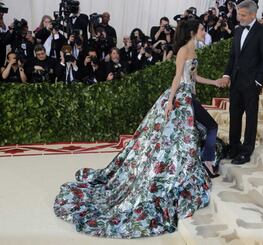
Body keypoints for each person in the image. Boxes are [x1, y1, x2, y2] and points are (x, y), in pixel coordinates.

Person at [54, 18, 222, 238]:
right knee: (195, 133)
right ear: (192, 31)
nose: (204, 32)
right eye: (202, 29)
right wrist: (170, 101)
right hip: (181, 98)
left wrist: (215, 82)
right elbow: (177, 78)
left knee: (197, 133)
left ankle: (202, 162)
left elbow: (193, 77)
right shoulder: (182, 50)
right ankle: (204, 163)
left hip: (190, 97)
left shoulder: (194, 50)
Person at [218, 0, 263, 165]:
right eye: (238, 14)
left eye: (242, 15)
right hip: (235, 82)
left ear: (252, 15)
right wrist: (227, 75)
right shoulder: (238, 30)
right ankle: (234, 146)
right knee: (234, 116)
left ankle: (247, 150)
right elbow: (233, 56)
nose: (238, 17)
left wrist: (258, 82)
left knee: (251, 118)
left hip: (251, 83)